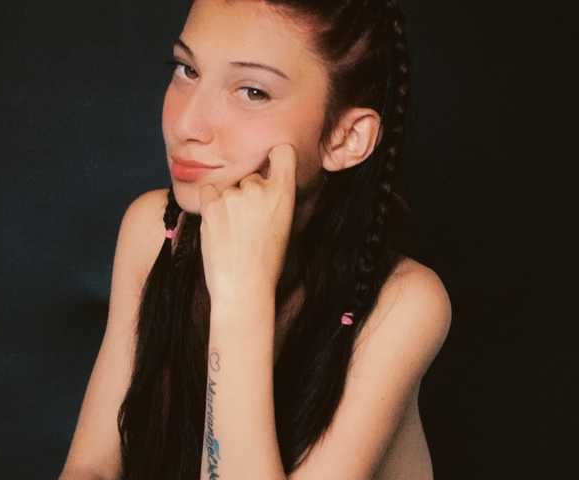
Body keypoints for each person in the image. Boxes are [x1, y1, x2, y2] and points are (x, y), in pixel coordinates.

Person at [59, 0, 452, 479]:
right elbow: (91, 468)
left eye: (252, 92)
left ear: (346, 138)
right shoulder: (154, 231)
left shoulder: (403, 304)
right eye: (186, 70)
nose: (186, 125)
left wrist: (240, 296)